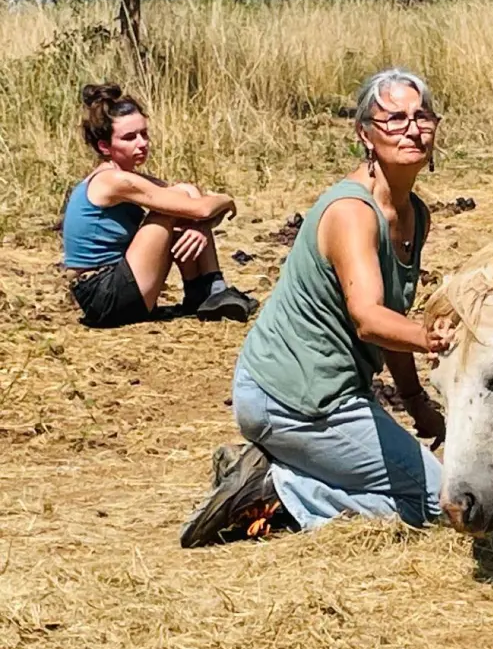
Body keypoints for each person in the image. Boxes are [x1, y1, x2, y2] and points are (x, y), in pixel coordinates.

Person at [180, 67, 452, 548]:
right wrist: (434, 340)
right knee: (438, 504)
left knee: (436, 488)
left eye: (421, 116)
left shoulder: (415, 214)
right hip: (293, 401)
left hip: (334, 394)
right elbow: (370, 319)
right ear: (364, 133)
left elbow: (391, 316)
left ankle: (285, 470)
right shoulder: (351, 213)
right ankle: (278, 488)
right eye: (393, 118)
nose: (411, 128)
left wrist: (417, 404)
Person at [62, 84, 258, 327]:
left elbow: (190, 196)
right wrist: (226, 201)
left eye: (144, 134)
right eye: (129, 138)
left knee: (180, 197)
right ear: (104, 147)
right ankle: (209, 289)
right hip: (103, 296)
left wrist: (200, 224)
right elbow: (199, 207)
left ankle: (207, 290)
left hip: (114, 287)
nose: (142, 143)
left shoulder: (126, 178)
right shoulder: (112, 181)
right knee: (168, 211)